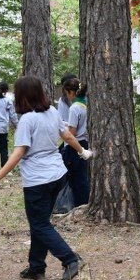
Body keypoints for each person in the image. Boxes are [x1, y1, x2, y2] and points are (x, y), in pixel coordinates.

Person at [0, 75, 92, 280]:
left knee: (40, 224)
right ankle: (36, 266)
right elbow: (68, 137)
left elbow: (18, 153)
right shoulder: (51, 111)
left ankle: (70, 259)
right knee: (40, 222)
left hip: (38, 180)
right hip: (57, 176)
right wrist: (82, 152)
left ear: (23, 96)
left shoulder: (27, 120)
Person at [59, 77, 91, 210]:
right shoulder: (86, 104)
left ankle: (78, 205)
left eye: (66, 93)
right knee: (81, 175)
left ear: (71, 92)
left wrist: (63, 129)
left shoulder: (74, 108)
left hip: (75, 145)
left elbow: (72, 132)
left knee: (76, 178)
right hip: (84, 142)